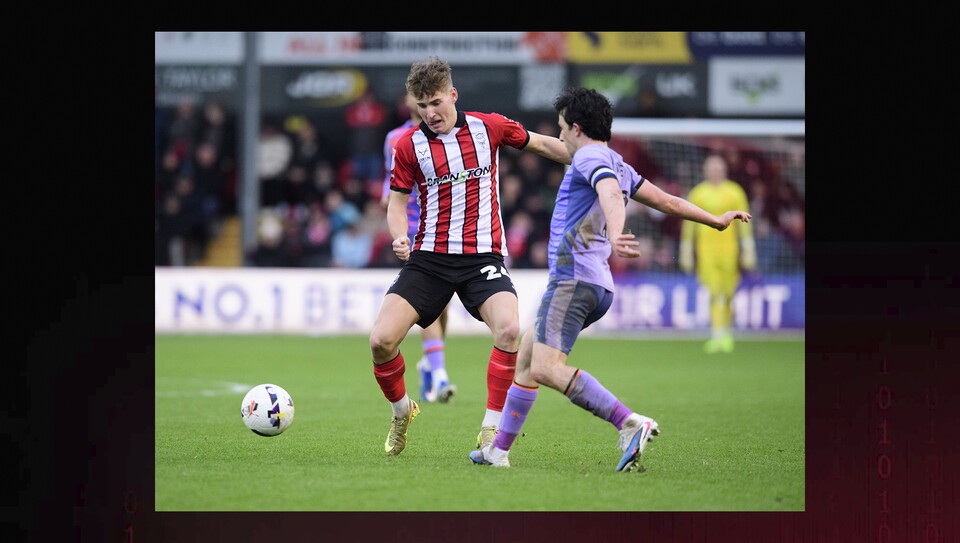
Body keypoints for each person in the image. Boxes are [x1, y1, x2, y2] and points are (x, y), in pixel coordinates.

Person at [469, 87, 751, 470]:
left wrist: (617, 232)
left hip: (572, 279)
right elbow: (666, 201)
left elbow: (610, 195)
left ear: (577, 128)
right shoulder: (615, 160)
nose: (561, 135)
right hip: (597, 285)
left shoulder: (590, 157)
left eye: (562, 128)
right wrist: (713, 220)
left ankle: (629, 422)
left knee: (545, 368)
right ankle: (497, 451)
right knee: (527, 356)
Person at [370, 56, 572, 456]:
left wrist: (590, 156)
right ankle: (400, 411)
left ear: (453, 95)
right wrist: (399, 236)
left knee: (510, 331)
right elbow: (396, 204)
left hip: (483, 258)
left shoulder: (488, 127)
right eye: (422, 106)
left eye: (436, 103)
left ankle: (491, 429)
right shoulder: (408, 146)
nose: (430, 113)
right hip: (429, 260)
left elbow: (544, 143)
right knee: (380, 341)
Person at [380, 93, 456, 404]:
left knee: (443, 304)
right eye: (415, 94)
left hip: (442, 227)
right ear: (407, 100)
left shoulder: (447, 137)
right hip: (412, 229)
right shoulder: (395, 139)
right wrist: (390, 201)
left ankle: (430, 360)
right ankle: (439, 375)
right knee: (430, 300)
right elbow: (392, 180)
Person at [679, 154, 756, 353]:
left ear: (724, 170)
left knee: (728, 292)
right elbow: (689, 223)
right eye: (711, 168)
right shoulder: (698, 193)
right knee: (714, 293)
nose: (715, 171)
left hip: (729, 250)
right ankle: (717, 335)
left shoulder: (734, 191)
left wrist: (748, 249)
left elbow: (745, 223)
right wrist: (686, 249)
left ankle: (727, 332)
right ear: (706, 170)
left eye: (718, 168)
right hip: (706, 251)